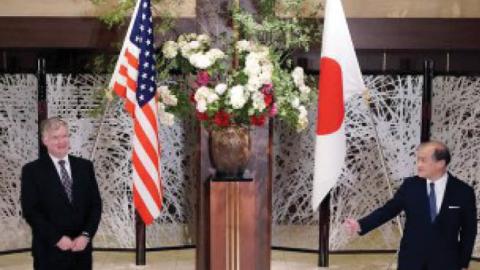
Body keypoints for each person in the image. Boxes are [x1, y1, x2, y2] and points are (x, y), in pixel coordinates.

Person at [344, 140, 477, 270]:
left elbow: (469, 231)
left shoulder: (463, 192)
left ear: (440, 163)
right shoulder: (410, 186)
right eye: (417, 160)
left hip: (447, 262)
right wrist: (360, 224)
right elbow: (388, 210)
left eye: (423, 160)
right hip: (411, 261)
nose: (418, 165)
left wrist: (463, 263)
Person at [21, 117, 102, 270]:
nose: (62, 141)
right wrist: (56, 238)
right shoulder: (32, 171)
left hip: (81, 250)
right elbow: (31, 211)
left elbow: (95, 205)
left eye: (64, 136)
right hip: (49, 252)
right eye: (55, 137)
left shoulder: (85, 167)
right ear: (45, 141)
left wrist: (86, 235)